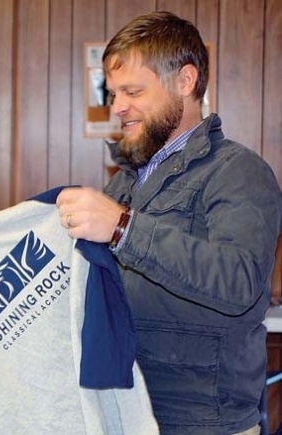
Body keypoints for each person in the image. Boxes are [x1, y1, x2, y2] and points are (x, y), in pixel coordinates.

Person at [56, 11, 282, 435]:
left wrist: (124, 229)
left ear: (185, 81)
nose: (118, 106)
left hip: (203, 423)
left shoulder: (239, 172)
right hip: (123, 410)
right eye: (114, 93)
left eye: (133, 91)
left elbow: (239, 283)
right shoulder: (124, 182)